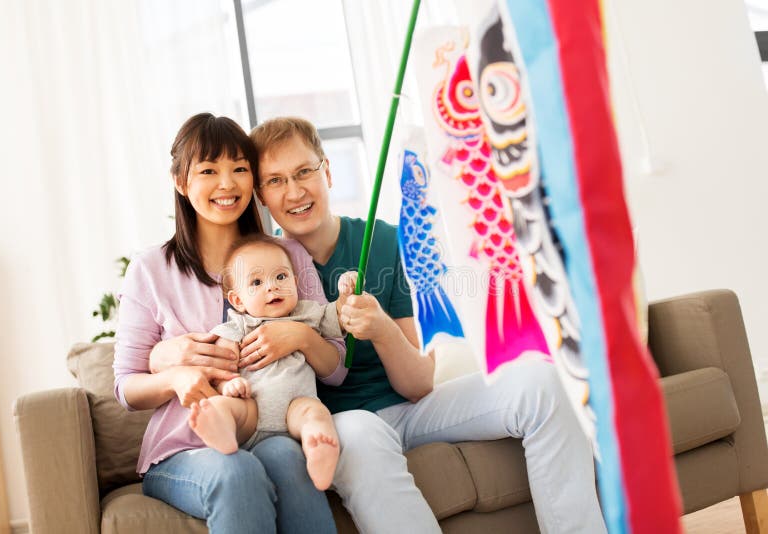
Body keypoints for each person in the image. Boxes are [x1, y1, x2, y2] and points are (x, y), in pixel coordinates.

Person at [247, 116, 608, 533]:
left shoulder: (386, 241)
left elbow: (419, 384)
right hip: (341, 421)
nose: (294, 191)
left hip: (413, 409)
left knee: (547, 383)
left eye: (304, 171)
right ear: (261, 195)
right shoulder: (262, 269)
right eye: (275, 181)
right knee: (362, 434)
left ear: (326, 170)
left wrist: (381, 327)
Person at [113, 113, 343, 534]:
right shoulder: (150, 270)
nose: (227, 183)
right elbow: (126, 387)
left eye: (239, 168)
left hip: (272, 431)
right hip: (182, 450)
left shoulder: (288, 255)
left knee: (290, 460)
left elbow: (337, 368)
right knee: (235, 471)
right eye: (208, 170)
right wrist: (176, 377)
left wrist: (302, 335)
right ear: (181, 182)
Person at [188, 234, 356, 491]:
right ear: (237, 301)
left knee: (315, 413)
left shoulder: (307, 313)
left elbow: (339, 319)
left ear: (295, 282)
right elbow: (222, 365)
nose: (272, 287)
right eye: (256, 282)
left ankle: (319, 447)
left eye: (281, 277)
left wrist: (347, 297)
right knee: (225, 404)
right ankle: (220, 429)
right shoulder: (239, 325)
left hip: (294, 409)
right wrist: (229, 386)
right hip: (250, 409)